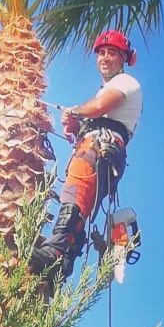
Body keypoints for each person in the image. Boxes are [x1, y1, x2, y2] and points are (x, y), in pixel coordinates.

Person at [30, 30, 142, 278]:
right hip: (99, 149)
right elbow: (96, 113)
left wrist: (77, 112)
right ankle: (63, 262)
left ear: (124, 58)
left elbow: (101, 107)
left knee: (77, 194)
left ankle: (56, 252)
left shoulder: (126, 83)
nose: (104, 58)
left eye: (111, 52)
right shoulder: (106, 88)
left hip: (100, 149)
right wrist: (76, 125)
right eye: (101, 53)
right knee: (80, 203)